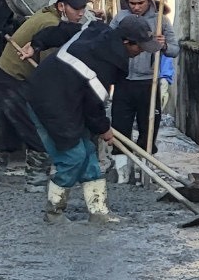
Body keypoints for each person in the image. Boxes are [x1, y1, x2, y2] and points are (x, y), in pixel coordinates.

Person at [26, 15, 162, 223]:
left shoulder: (97, 31)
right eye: (140, 46)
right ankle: (54, 212)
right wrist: (104, 128)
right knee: (72, 156)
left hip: (69, 96)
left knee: (89, 154)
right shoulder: (103, 65)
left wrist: (39, 42)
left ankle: (98, 211)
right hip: (48, 102)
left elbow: (63, 31)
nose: (142, 51)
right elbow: (93, 106)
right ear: (126, 41)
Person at [0, 0, 93, 192]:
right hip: (11, 79)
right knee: (36, 132)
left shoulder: (49, 14)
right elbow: (51, 71)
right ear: (61, 6)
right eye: (76, 8)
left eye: (83, 8)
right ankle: (35, 184)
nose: (81, 13)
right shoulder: (50, 25)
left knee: (11, 134)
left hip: (7, 76)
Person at [109, 0, 180, 181]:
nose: (136, 7)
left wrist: (164, 45)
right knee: (120, 128)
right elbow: (106, 41)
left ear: (149, 1)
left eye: (140, 3)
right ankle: (122, 174)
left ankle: (144, 173)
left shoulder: (160, 21)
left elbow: (175, 50)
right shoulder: (120, 18)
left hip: (149, 83)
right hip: (123, 81)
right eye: (132, 3)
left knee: (148, 129)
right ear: (126, 2)